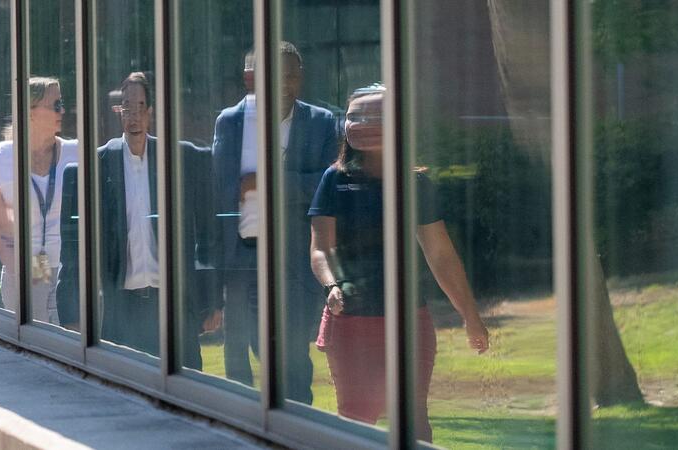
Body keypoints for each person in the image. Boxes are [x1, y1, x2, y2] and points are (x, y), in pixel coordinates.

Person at [307, 84, 489, 440]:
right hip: (350, 325)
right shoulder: (335, 179)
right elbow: (320, 249)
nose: (362, 123)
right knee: (357, 421)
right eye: (354, 116)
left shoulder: (415, 183)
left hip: (409, 324)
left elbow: (440, 255)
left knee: (414, 424)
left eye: (375, 116)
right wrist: (332, 285)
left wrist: (471, 317)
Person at [208, 42, 341, 400]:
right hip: (243, 259)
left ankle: (296, 431)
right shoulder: (232, 121)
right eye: (277, 76)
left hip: (293, 261)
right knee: (241, 361)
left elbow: (327, 186)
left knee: (291, 360)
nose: (285, 84)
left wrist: (266, 181)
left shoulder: (321, 123)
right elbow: (222, 194)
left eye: (292, 76)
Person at [59, 72, 214, 356]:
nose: (133, 115)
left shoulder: (182, 160)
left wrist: (211, 302)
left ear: (151, 111)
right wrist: (70, 311)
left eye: (140, 106)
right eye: (126, 107)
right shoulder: (95, 168)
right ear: (119, 112)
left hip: (173, 307)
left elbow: (207, 233)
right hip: (122, 311)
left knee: (183, 392)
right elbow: (73, 247)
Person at [0, 77, 81, 325]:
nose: (62, 111)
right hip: (22, 273)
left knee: (70, 353)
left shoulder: (77, 152)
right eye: (55, 105)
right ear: (31, 112)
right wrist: (22, 270)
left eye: (62, 103)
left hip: (69, 273)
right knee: (35, 351)